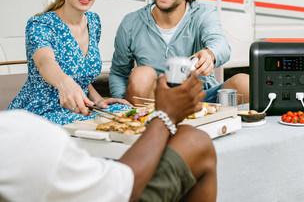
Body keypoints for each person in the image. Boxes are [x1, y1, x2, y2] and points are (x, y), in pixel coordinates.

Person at [0, 74, 217, 202]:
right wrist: (165, 116)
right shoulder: (26, 136)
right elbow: (123, 186)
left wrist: (97, 99)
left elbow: (84, 81)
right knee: (195, 141)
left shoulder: (92, 23)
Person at [109, 0, 249, 104]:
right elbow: (118, 73)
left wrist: (210, 54)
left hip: (201, 98)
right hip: (153, 103)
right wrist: (122, 104)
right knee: (141, 74)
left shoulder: (203, 14)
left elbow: (221, 44)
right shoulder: (131, 22)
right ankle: (148, 126)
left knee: (244, 83)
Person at [8, 0, 128, 125]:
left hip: (82, 108)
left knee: (126, 114)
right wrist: (65, 83)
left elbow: (82, 75)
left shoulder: (93, 22)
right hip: (43, 111)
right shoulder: (40, 24)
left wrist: (99, 100)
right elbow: (45, 62)